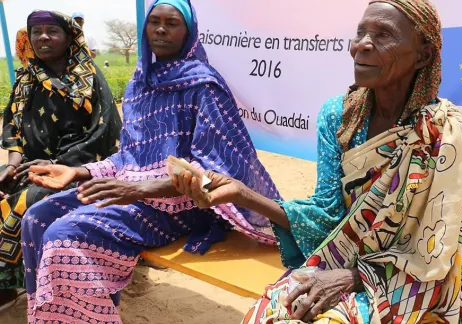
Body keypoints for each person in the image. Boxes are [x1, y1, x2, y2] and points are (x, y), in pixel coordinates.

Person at [173, 0, 462, 322]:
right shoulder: (338, 117)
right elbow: (328, 213)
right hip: (344, 259)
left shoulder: (441, 130)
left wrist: (354, 278)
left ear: (422, 54)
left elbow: (438, 245)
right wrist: (242, 194)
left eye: (383, 35)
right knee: (269, 313)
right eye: (361, 33)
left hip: (417, 276)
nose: (362, 45)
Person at [21, 1, 279, 322]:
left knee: (65, 233)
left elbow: (215, 174)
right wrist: (77, 172)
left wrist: (140, 189)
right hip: (132, 196)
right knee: (37, 216)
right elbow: (128, 158)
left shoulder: (204, 86)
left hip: (180, 207)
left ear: (189, 33)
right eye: (154, 21)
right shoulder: (139, 82)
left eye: (172, 23)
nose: (160, 29)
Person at [0, 11, 122, 309]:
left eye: (51, 31)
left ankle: (36, 283)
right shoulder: (26, 79)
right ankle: (8, 284)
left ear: (68, 37)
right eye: (36, 31)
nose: (43, 37)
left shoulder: (88, 77)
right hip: (30, 164)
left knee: (26, 202)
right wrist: (13, 164)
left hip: (78, 169)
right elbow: (13, 127)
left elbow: (104, 134)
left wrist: (60, 166)